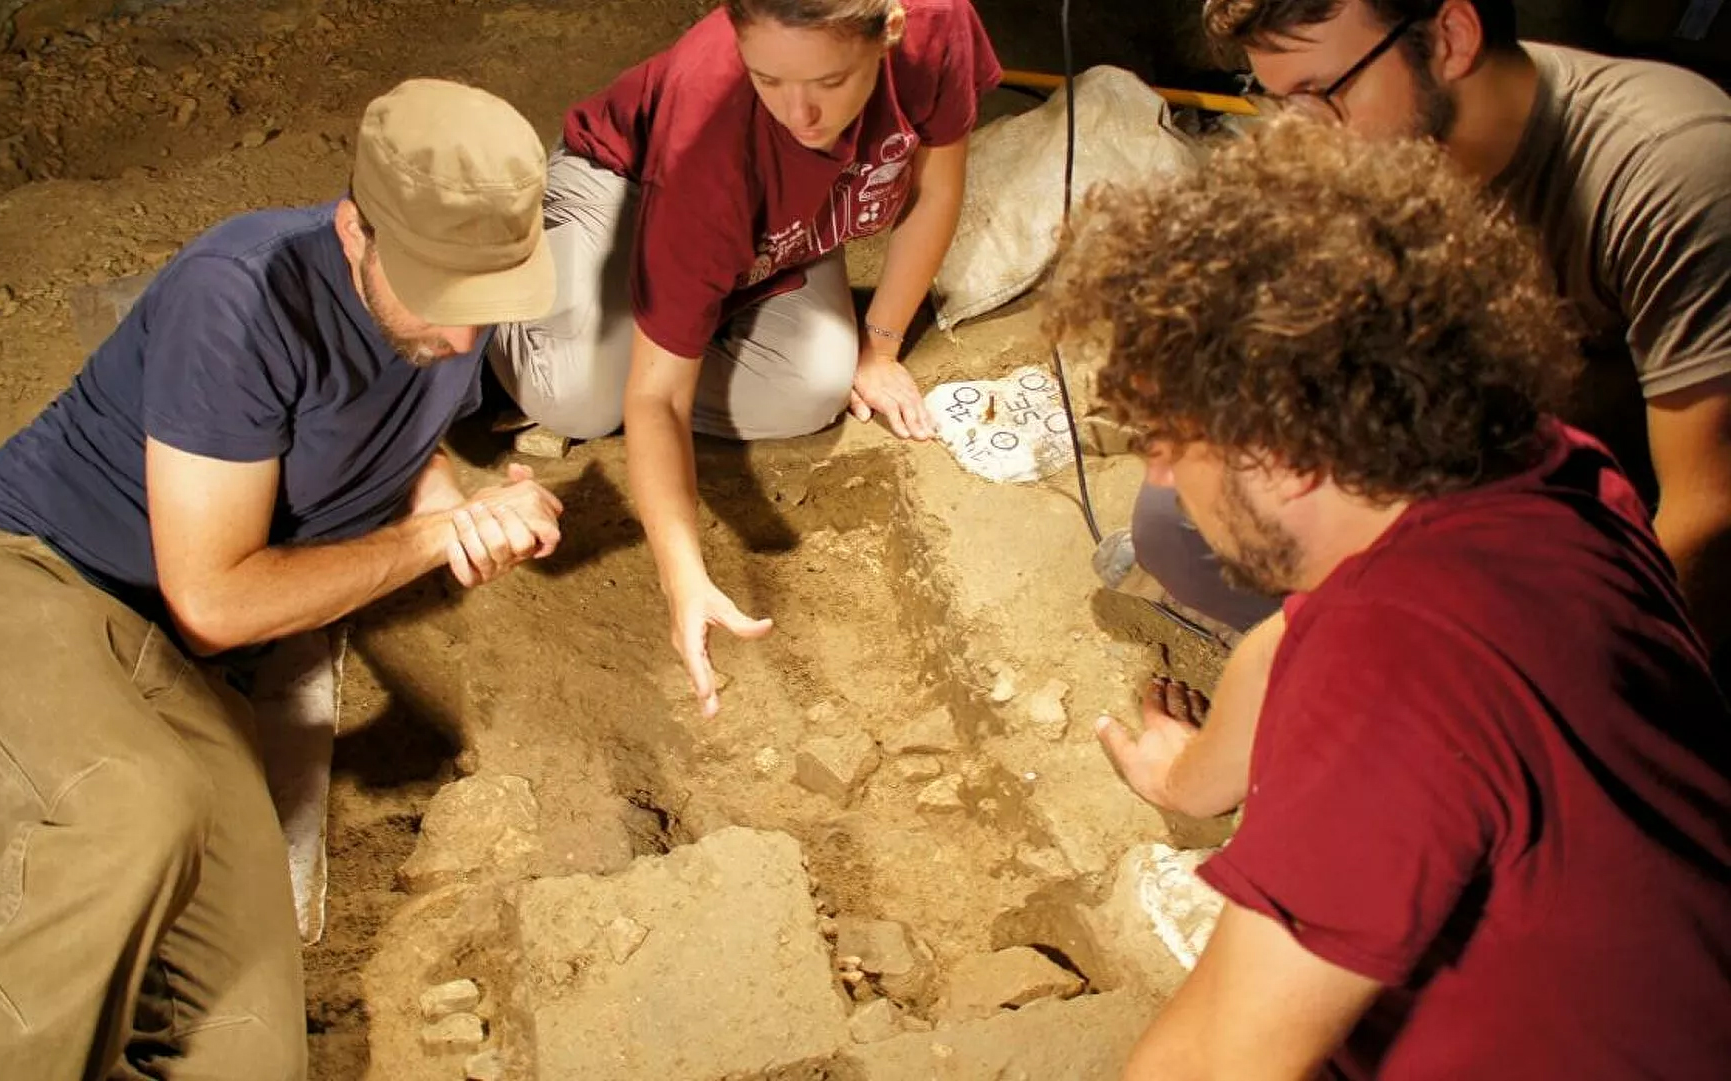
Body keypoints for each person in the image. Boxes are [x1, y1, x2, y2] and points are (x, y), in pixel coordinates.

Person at [0, 79, 563, 1081]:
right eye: (441, 299)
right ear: (357, 228)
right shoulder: (241, 294)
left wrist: (464, 500)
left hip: (175, 671)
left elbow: (403, 438)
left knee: (246, 1050)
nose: (459, 337)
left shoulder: (458, 297)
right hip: (7, 578)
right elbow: (217, 604)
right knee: (127, 817)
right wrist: (431, 544)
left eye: (484, 303)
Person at [1052, 117, 1731, 1080]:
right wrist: (1191, 779)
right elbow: (1293, 637)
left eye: (1172, 433)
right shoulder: (1532, 469)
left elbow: (1210, 1059)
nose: (1159, 469)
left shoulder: (1394, 683)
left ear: (1282, 454)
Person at [1122, 0, 1731, 674]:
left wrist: (1560, 688)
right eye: (1278, 99)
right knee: (1178, 520)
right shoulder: (1373, 144)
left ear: (1452, 36)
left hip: (1599, 521)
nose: (1310, 134)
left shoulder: (1671, 171)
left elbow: (1706, 512)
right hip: (1465, 468)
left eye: (1322, 91)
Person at [488, 0, 1000, 715]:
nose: (803, 113)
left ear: (889, 30)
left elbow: (938, 184)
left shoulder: (937, 23)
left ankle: (678, 318)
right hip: (631, 186)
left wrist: (879, 346)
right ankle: (538, 284)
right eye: (769, 78)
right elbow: (658, 399)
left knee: (816, 384)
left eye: (828, 81)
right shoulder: (709, 128)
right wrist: (683, 577)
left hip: (784, 223)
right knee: (575, 393)